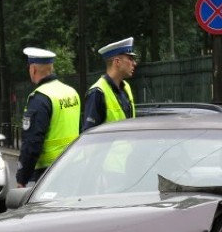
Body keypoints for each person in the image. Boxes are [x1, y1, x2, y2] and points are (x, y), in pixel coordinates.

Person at [16, 47, 81, 188]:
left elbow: (32, 143)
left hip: (49, 173)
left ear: (33, 69)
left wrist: (22, 178)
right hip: (75, 166)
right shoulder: (72, 93)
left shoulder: (40, 98)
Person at [82, 37, 137, 131]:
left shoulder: (126, 87)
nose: (134, 63)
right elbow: (89, 136)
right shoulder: (97, 92)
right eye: (130, 59)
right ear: (117, 62)